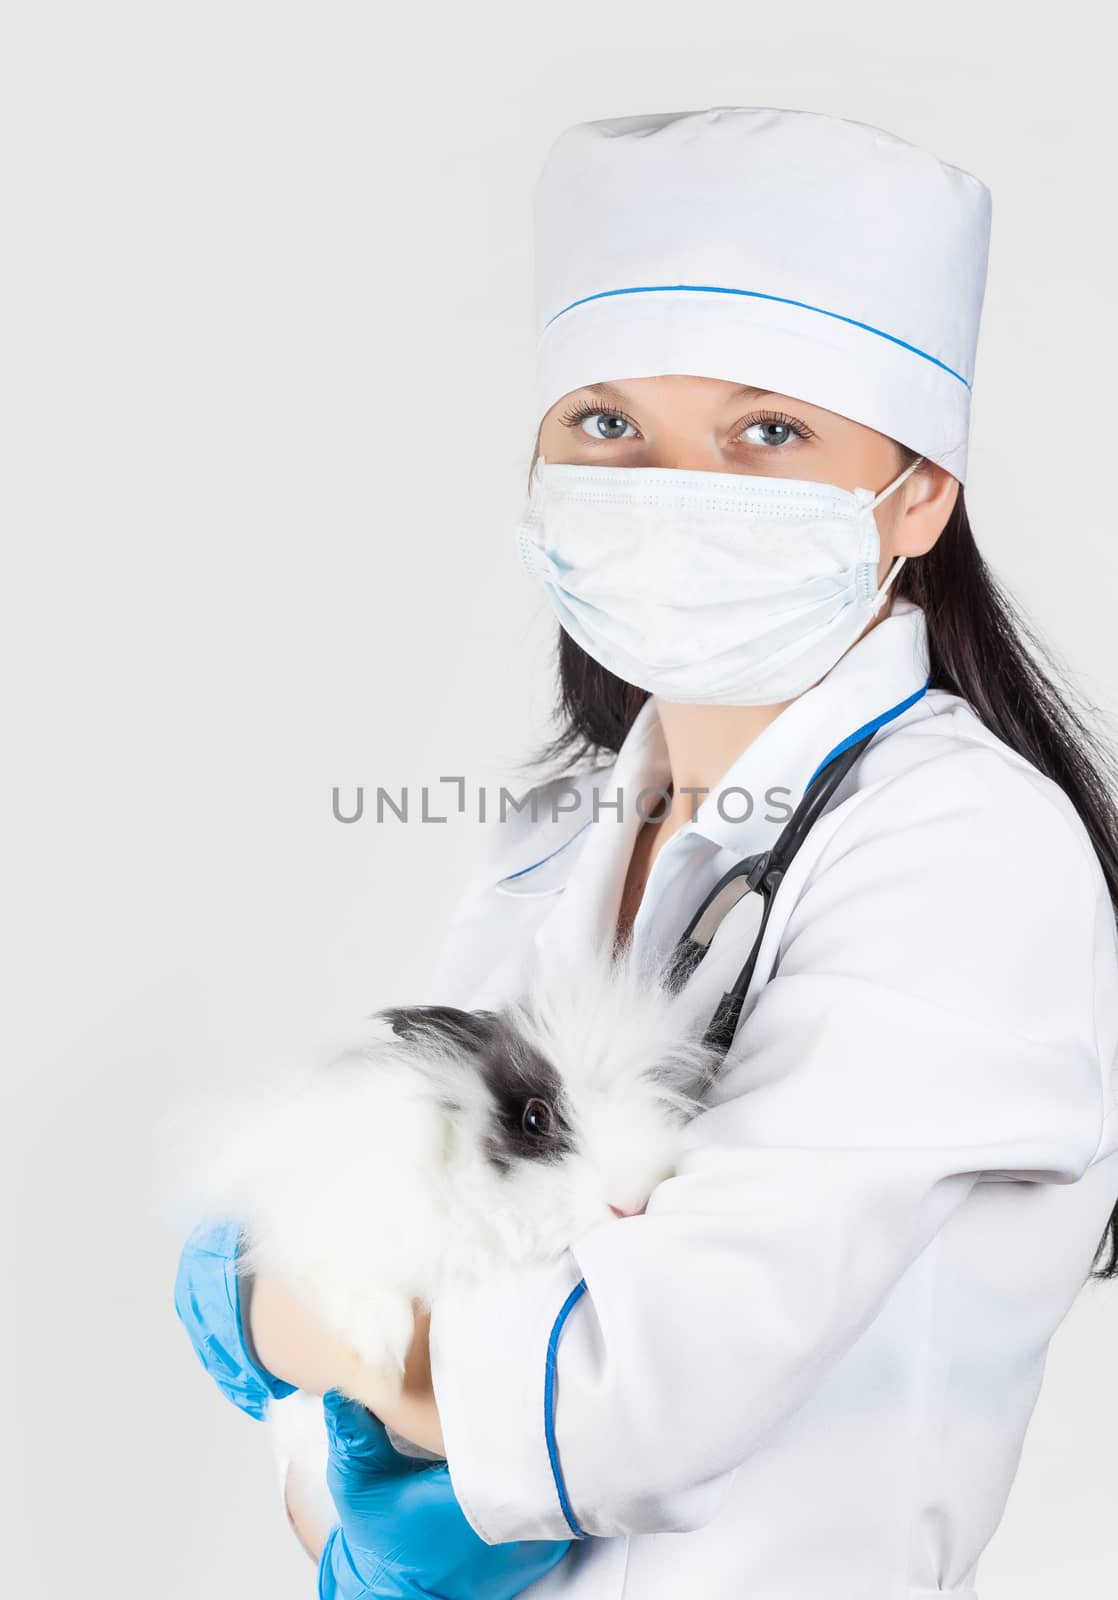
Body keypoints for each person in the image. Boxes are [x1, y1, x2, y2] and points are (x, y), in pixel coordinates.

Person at [176, 107, 1118, 1598]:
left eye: (769, 433)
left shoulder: (962, 847)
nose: (675, 487)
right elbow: (354, 1419)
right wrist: (362, 1415)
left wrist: (257, 1295)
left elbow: (614, 1404)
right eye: (607, 424)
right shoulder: (551, 842)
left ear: (917, 496)